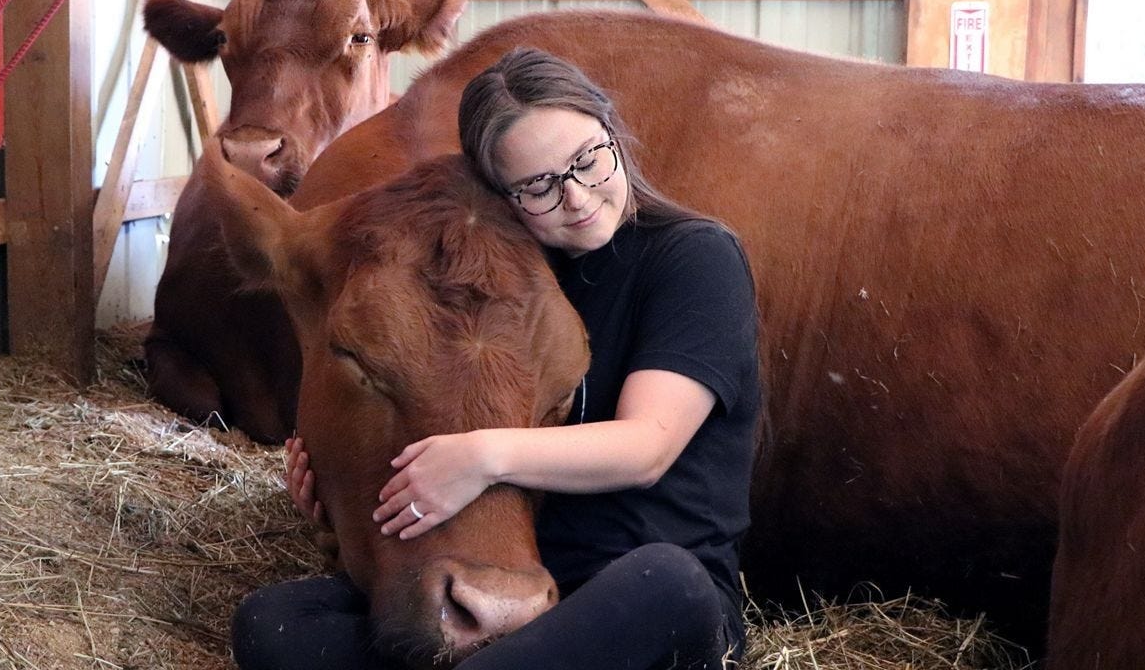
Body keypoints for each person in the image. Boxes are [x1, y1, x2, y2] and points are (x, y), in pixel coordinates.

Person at [231, 47, 761, 670]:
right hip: (528, 585)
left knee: (673, 583)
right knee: (273, 622)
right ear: (501, 197)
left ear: (613, 133)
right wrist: (338, 489)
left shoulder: (695, 258)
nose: (577, 197)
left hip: (634, 602)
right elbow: (426, 414)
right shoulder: (511, 278)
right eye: (538, 185)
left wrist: (483, 456)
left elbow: (648, 447)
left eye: (587, 160)